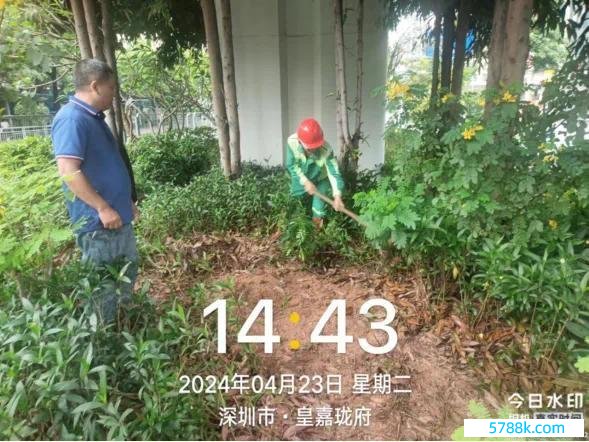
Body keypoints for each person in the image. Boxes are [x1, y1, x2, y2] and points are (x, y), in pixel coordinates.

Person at [51, 59, 138, 323]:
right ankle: (103, 340)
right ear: (94, 86)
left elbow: (104, 166)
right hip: (98, 224)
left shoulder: (93, 118)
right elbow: (68, 169)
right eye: (111, 88)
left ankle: (124, 330)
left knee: (126, 273)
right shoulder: (71, 119)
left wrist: (126, 203)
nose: (114, 93)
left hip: (117, 217)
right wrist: (102, 207)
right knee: (103, 288)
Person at [285, 118, 345, 229]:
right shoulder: (291, 142)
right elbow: (292, 165)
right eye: (310, 148)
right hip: (302, 175)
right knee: (297, 199)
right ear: (300, 142)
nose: (314, 149)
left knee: (319, 204)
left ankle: (316, 228)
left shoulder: (326, 149)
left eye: (316, 147)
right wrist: (306, 182)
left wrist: (337, 196)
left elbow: (334, 173)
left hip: (321, 178)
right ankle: (297, 225)